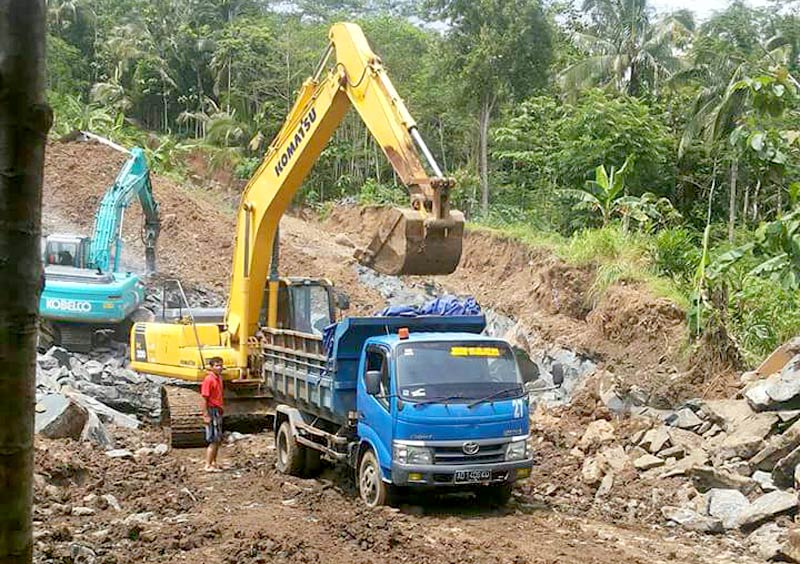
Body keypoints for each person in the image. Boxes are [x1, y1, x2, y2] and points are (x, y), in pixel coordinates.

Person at [200, 356, 225, 472]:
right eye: (217, 365)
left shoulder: (219, 378)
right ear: (211, 367)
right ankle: (208, 465)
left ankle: (214, 462)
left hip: (217, 409)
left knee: (218, 439)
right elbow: (204, 398)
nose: (219, 367)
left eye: (221, 365)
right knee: (214, 439)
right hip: (211, 410)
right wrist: (206, 415)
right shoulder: (209, 380)